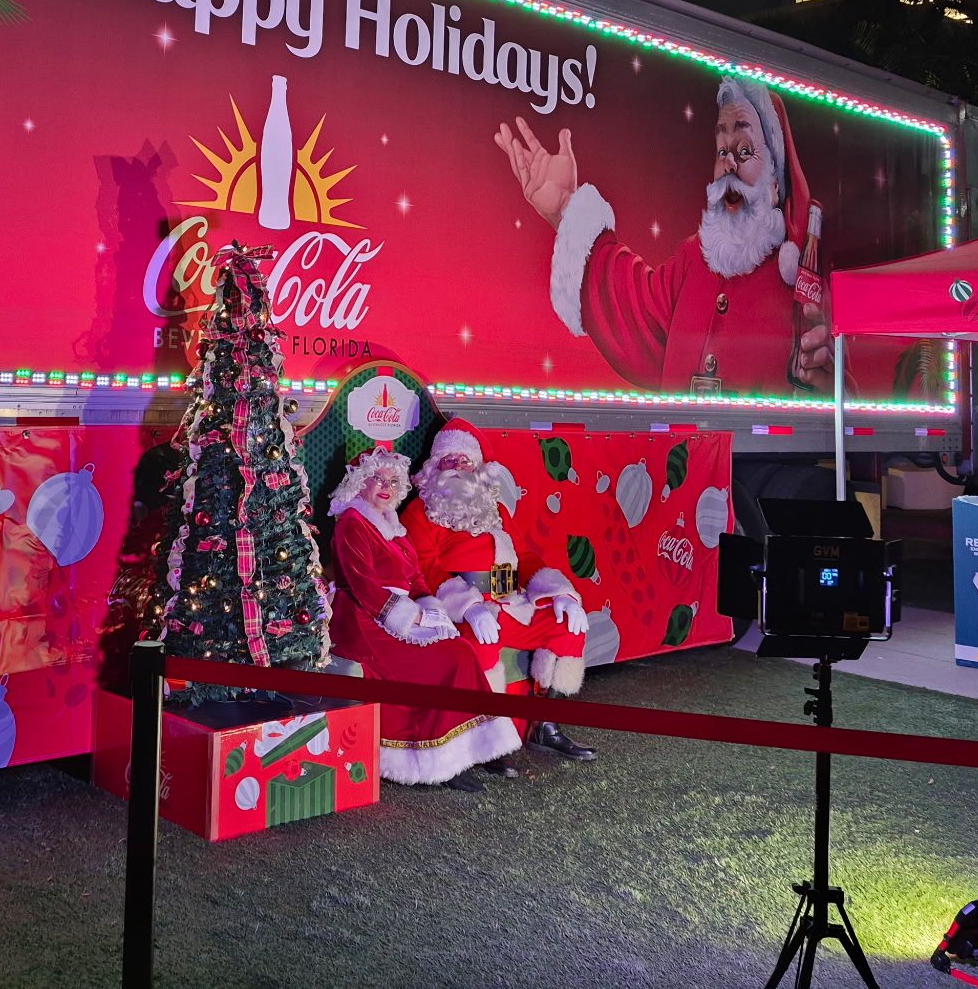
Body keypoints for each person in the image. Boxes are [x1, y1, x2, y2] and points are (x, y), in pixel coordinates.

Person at [496, 73, 832, 395]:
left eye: (745, 151)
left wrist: (830, 389)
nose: (729, 164)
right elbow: (637, 311)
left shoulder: (802, 287)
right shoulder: (694, 258)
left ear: (775, 185)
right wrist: (565, 206)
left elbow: (836, 381)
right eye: (721, 151)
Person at [326, 448, 521, 790]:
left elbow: (415, 576)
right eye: (377, 479)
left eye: (392, 481)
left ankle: (465, 750)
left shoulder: (394, 526)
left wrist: (430, 607)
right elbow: (363, 586)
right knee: (445, 659)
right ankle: (440, 760)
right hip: (363, 618)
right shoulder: (351, 524)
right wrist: (413, 616)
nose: (386, 487)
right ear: (360, 483)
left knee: (460, 651)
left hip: (402, 611)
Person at [403, 420, 596, 761]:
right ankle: (488, 740)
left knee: (568, 625)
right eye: (449, 460)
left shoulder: (497, 510)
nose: (457, 467)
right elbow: (425, 568)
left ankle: (544, 726)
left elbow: (524, 557)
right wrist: (469, 607)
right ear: (434, 467)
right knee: (481, 643)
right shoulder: (420, 511)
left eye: (465, 461)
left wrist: (561, 594)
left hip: (510, 602)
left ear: (477, 468)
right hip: (461, 610)